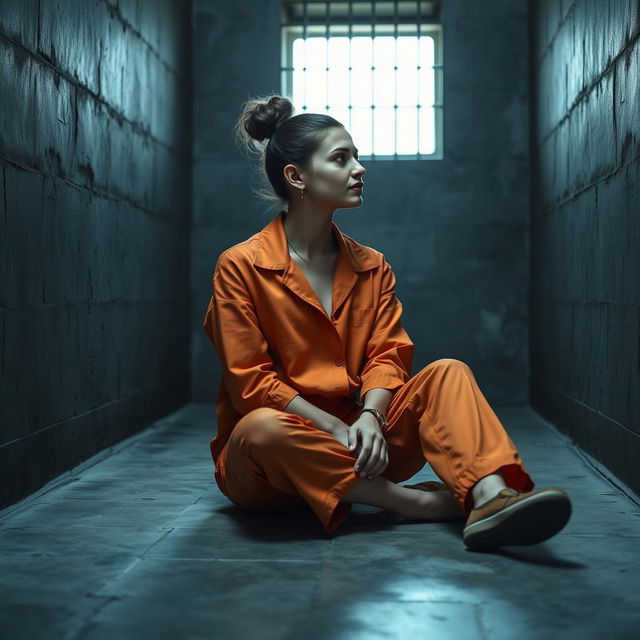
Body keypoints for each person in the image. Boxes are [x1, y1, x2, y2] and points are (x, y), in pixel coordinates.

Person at [202, 94, 572, 550]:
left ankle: (491, 496)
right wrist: (338, 429)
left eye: (356, 155)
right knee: (260, 425)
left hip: (362, 447)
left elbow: (387, 354)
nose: (360, 168)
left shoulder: (371, 265)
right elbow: (251, 382)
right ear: (296, 177)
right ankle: (410, 504)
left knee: (447, 373)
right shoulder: (241, 265)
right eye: (341, 158)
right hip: (270, 465)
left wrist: (372, 418)